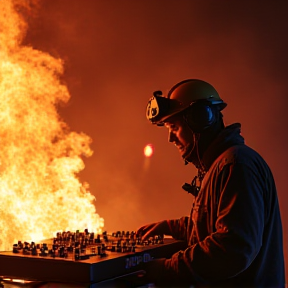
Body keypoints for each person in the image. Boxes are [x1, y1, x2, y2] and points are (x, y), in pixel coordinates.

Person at [136, 79, 285, 287]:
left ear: (199, 119)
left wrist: (167, 268)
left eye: (174, 127)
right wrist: (172, 226)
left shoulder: (236, 165)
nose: (171, 138)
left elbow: (233, 248)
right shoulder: (222, 165)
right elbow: (214, 225)